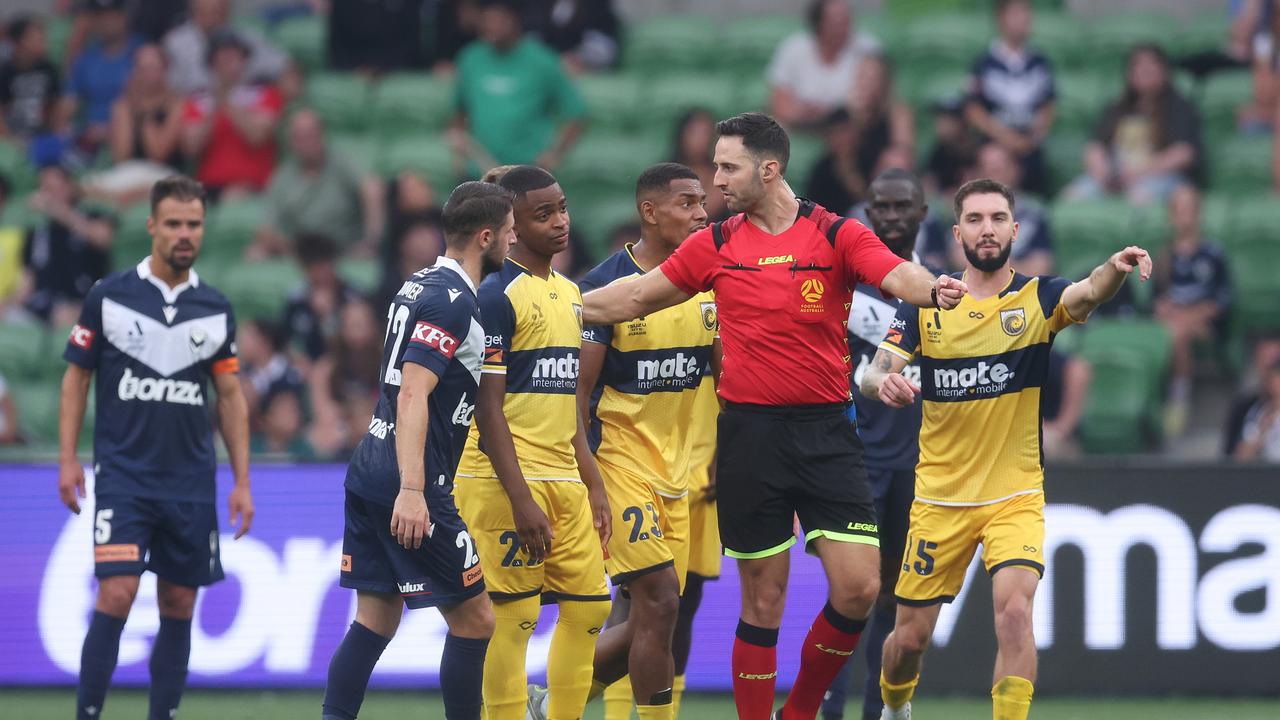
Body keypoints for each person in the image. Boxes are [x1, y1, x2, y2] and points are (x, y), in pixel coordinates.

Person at [578, 112, 966, 720]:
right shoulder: (717, 242)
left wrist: (933, 288)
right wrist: (551, 305)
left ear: (769, 168)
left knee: (861, 587)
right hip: (749, 436)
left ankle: (801, 709)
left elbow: (897, 273)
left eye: (727, 167)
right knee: (763, 599)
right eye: (713, 166)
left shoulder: (833, 233)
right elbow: (633, 295)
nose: (715, 180)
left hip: (828, 433)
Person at [862, 178, 1152, 720]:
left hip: (1013, 494)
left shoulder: (1038, 299)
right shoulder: (929, 302)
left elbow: (1087, 291)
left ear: (1015, 229)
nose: (987, 229)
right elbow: (875, 374)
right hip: (939, 500)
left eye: (997, 218)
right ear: (956, 234)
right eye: (975, 219)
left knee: (1015, 613)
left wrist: (1114, 268)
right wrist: (886, 385)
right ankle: (895, 706)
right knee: (908, 642)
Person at [58, 175, 255, 720]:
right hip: (124, 476)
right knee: (117, 592)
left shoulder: (214, 306)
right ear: (151, 227)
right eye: (173, 224)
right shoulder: (109, 295)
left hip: (191, 481)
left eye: (193, 224)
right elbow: (75, 379)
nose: (184, 234)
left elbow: (231, 397)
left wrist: (241, 481)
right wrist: (68, 457)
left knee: (179, 602)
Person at [321, 180, 516, 720]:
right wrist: (413, 489)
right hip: (411, 477)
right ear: (485, 236)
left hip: (369, 466)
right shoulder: (454, 302)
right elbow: (412, 391)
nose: (513, 240)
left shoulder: (416, 284)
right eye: (508, 232)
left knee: (376, 617)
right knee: (476, 619)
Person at [561, 163, 718, 720]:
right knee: (660, 601)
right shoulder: (604, 290)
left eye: (702, 201)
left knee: (656, 616)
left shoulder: (710, 285)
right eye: (686, 203)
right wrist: (591, 480)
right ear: (649, 212)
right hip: (619, 466)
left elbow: (727, 378)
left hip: (680, 475)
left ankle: (557, 704)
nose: (702, 212)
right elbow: (576, 396)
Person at [453, 165, 611, 720]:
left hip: (564, 479)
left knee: (591, 609)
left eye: (562, 208)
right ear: (511, 227)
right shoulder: (496, 296)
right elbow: (487, 406)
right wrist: (520, 498)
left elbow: (568, 399)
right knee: (514, 618)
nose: (561, 221)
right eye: (543, 214)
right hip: (502, 481)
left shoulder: (570, 293)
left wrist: (592, 479)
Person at [823, 169, 935, 720]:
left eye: (902, 206)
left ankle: (880, 709)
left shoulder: (940, 292)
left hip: (917, 465)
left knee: (895, 594)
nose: (891, 215)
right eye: (881, 206)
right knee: (850, 593)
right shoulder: (841, 287)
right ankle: (829, 707)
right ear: (867, 214)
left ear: (923, 212)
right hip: (852, 460)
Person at [451, 0, 586, 170]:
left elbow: (576, 113)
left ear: (515, 20)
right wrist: (459, 156)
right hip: (480, 172)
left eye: (499, 20)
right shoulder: (470, 59)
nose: (492, 26)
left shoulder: (542, 61)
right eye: (487, 20)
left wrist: (554, 154)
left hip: (526, 172)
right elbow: (458, 113)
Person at [1066, 44, 1202, 205]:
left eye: (1150, 65)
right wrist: (1103, 172)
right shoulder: (1116, 108)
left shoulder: (1179, 108)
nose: (1143, 70)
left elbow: (1184, 154)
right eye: (1137, 65)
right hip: (1115, 176)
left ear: (1164, 72)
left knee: (1139, 196)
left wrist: (1140, 172)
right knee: (1074, 195)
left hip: (1160, 176)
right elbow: (1095, 146)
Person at [251, 109, 386, 259]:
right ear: (292, 142)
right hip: (300, 251)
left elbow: (372, 189)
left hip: (342, 247)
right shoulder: (283, 176)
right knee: (255, 254)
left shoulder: (341, 162)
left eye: (311, 135)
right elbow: (265, 228)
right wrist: (283, 244)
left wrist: (371, 242)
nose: (307, 142)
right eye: (300, 137)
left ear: (322, 135)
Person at [1153, 184, 1231, 437]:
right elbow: (1157, 302)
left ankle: (1179, 398)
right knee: (1172, 331)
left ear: (1198, 214)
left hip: (1203, 326)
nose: (1184, 215)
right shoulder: (1164, 257)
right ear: (1171, 216)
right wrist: (1166, 311)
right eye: (1179, 210)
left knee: (1178, 332)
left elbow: (1220, 302)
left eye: (1189, 209)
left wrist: (1187, 316)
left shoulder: (1213, 255)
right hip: (1172, 324)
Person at [965, 0, 1056, 197]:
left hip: (1030, 149)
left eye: (1026, 13)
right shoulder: (984, 62)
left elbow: (1048, 105)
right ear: (1000, 19)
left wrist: (1034, 137)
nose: (1024, 19)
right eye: (1016, 13)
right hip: (995, 146)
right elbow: (973, 110)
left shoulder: (1040, 62)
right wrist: (1005, 137)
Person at [180, 31, 283, 199]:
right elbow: (191, 148)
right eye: (221, 60)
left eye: (233, 59)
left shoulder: (265, 95)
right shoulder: (197, 102)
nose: (228, 66)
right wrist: (215, 105)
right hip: (208, 186)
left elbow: (257, 136)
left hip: (253, 183)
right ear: (211, 65)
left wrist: (227, 101)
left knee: (234, 196)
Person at [18, 164, 115, 326]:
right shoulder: (37, 230)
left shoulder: (90, 214)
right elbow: (28, 281)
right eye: (45, 189)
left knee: (65, 316)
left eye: (53, 188)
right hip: (41, 305)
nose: (48, 195)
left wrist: (59, 211)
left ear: (69, 187)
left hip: (82, 301)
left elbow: (103, 238)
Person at [767, 0, 881, 127]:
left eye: (847, 18)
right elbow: (778, 102)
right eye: (837, 20)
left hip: (854, 126)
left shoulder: (867, 48)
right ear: (819, 24)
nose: (845, 25)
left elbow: (883, 98)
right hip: (803, 127)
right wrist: (800, 112)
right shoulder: (793, 49)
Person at [64, 0, 142, 154]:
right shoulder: (86, 58)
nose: (107, 22)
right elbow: (69, 103)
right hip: (89, 139)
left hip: (132, 137)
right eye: (101, 17)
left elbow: (152, 101)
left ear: (124, 17)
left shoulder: (140, 52)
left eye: (112, 16)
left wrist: (111, 129)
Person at [163, 0, 287, 95]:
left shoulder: (247, 36)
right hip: (196, 107)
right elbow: (169, 90)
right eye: (203, 12)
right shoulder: (175, 43)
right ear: (194, 11)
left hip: (244, 105)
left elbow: (283, 66)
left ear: (226, 11)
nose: (210, 20)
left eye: (215, 12)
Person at [968, 142, 1053, 277]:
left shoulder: (1034, 212)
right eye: (986, 169)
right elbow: (959, 257)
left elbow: (1041, 266)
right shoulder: (968, 210)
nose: (992, 176)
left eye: (999, 169)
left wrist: (993, 269)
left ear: (1016, 170)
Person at [0, 15, 65, 142]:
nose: (43, 41)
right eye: (37, 37)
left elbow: (55, 106)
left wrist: (57, 131)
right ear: (21, 41)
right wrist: (11, 140)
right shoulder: (5, 72)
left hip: (42, 135)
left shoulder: (48, 69)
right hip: (11, 137)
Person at [527, 0, 621, 73]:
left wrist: (580, 59)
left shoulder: (597, 4)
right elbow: (532, 37)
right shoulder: (539, 5)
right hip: (548, 61)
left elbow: (604, 45)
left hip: (586, 63)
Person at [670, 108, 728, 221]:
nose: (700, 139)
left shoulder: (721, 175)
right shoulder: (665, 174)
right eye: (694, 132)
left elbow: (704, 212)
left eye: (705, 133)